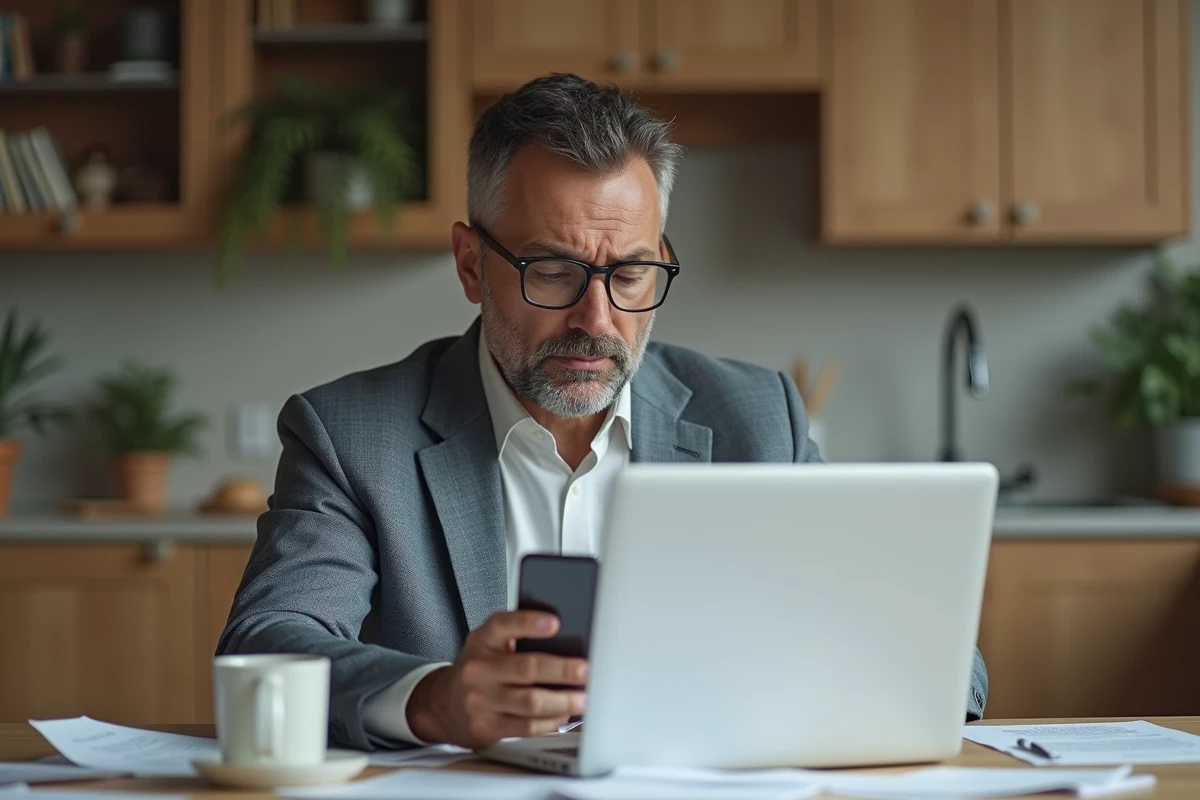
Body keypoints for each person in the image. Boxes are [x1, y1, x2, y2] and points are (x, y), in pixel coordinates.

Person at [217, 73, 988, 751]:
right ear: (471, 265)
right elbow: (267, 644)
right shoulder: (351, 436)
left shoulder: (758, 420)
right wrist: (434, 699)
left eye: (631, 273)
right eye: (554, 271)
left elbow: (945, 662)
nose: (596, 319)